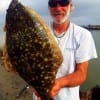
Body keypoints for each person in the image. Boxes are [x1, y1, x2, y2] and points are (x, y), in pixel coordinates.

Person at [33, 0, 97, 100]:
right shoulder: (37, 32)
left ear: (70, 6)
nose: (58, 8)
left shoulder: (83, 35)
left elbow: (82, 73)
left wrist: (59, 83)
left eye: (63, 2)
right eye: (53, 3)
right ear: (49, 7)